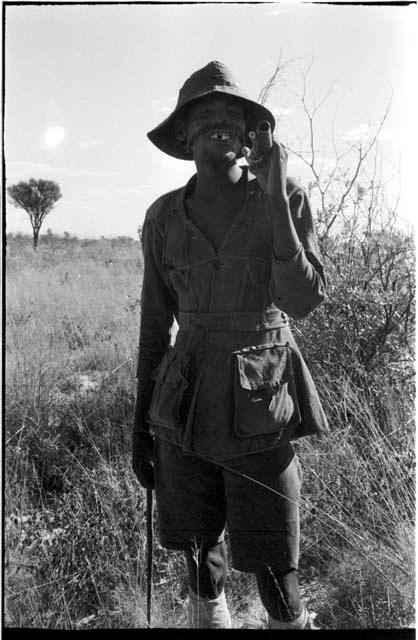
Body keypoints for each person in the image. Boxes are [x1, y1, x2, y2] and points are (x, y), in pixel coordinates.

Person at [132, 61, 328, 629]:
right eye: (204, 114)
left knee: (275, 570)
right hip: (182, 404)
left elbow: (303, 300)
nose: (220, 121)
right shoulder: (163, 216)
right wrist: (139, 426)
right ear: (184, 135)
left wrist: (273, 196)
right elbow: (153, 326)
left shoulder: (282, 197)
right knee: (199, 559)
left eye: (232, 114)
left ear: (250, 134)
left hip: (263, 404)